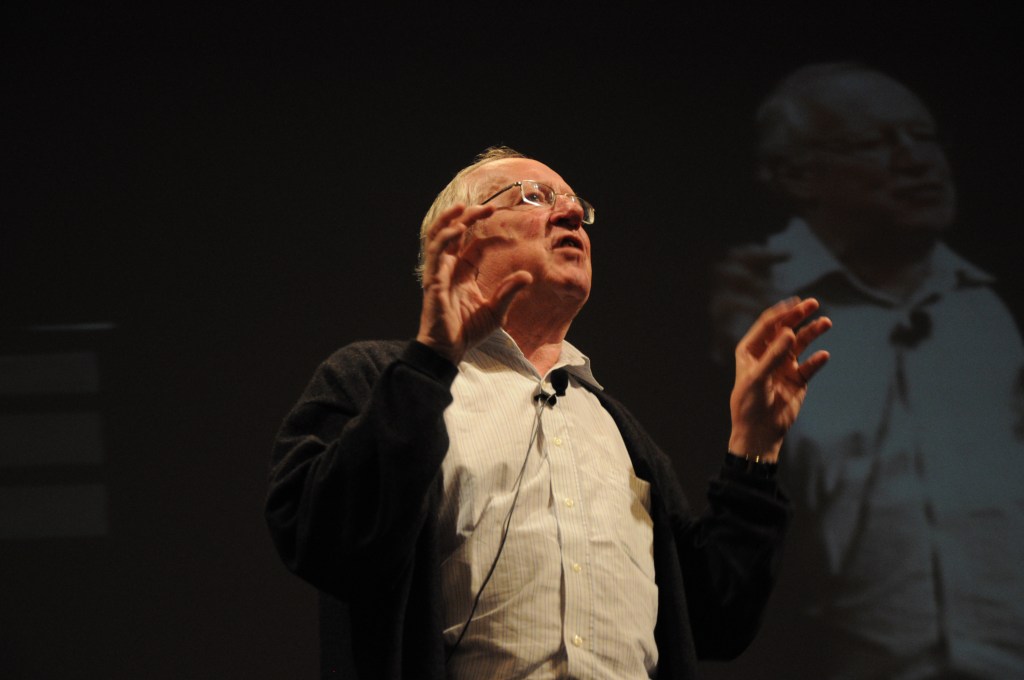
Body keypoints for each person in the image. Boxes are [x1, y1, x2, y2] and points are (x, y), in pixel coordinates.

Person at [265, 146, 831, 680]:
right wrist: (430, 360)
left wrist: (753, 448)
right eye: (533, 196)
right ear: (460, 238)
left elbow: (715, 621)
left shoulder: (618, 431)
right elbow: (325, 542)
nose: (570, 215)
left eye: (577, 207)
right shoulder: (374, 380)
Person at [709, 63, 1024, 679]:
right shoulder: (742, 309)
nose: (917, 161)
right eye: (879, 143)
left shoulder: (995, 303)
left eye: (925, 138)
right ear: (797, 174)